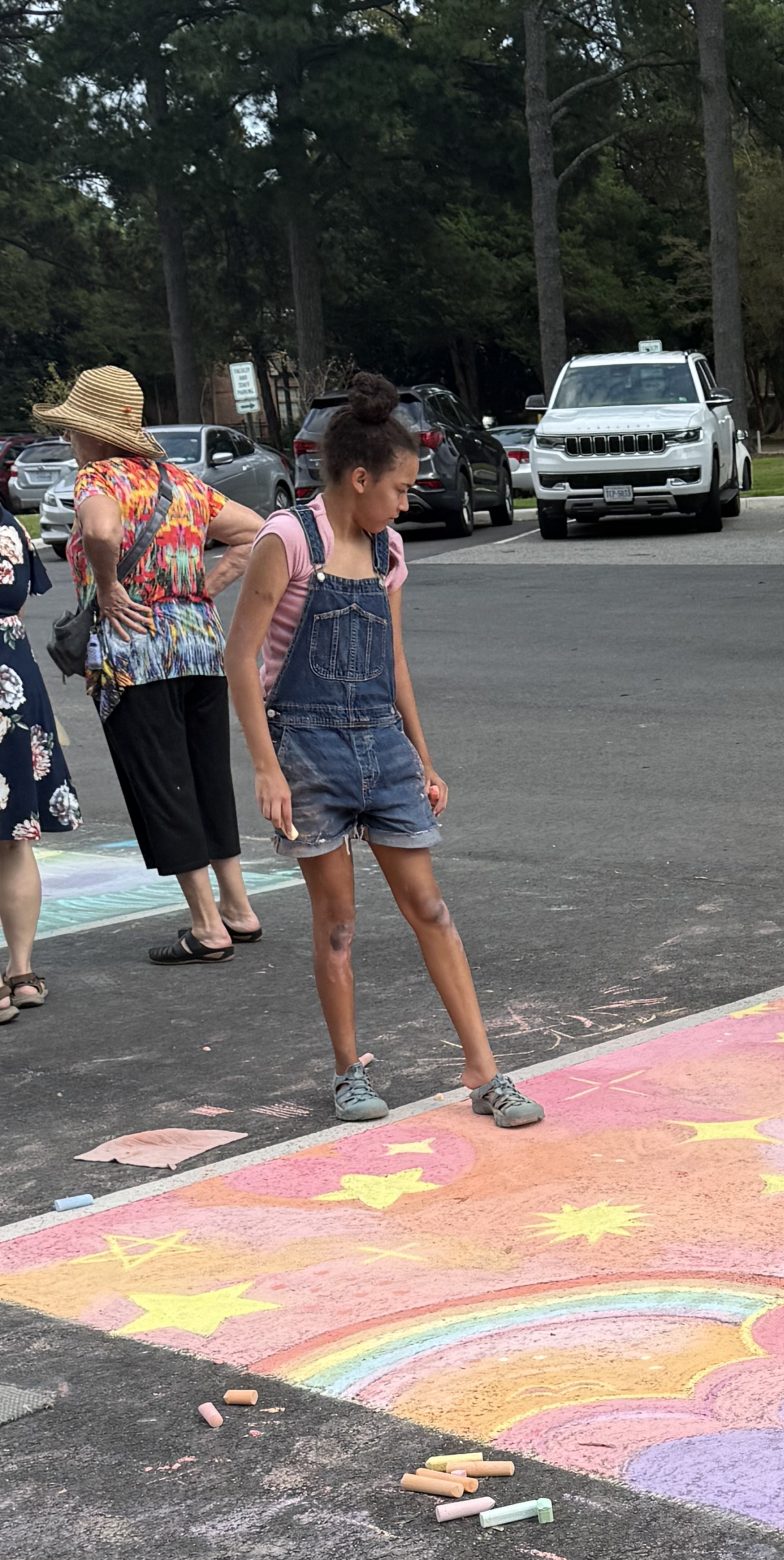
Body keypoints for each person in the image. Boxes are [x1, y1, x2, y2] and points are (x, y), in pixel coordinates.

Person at [225, 374, 543, 1128]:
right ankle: (348, 1071)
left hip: (382, 742)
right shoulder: (286, 540)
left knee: (430, 906)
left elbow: (393, 660)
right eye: (400, 488)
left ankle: (484, 1069)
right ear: (360, 479)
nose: (405, 503)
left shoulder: (387, 548)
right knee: (337, 921)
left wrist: (422, 758)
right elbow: (240, 657)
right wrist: (265, 766)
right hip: (306, 749)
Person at [33, 365, 266, 963]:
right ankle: (238, 907)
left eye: (72, 429)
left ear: (94, 433)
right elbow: (256, 532)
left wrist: (109, 586)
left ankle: (207, 926)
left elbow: (101, 530)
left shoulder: (96, 478)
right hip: (201, 648)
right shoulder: (180, 482)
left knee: (165, 785)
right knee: (208, 776)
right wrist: (206, 585)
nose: (68, 439)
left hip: (134, 654)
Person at [0, 501, 81, 1022]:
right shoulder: (8, 525)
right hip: (12, 676)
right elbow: (19, 602)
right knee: (14, 837)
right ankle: (22, 973)